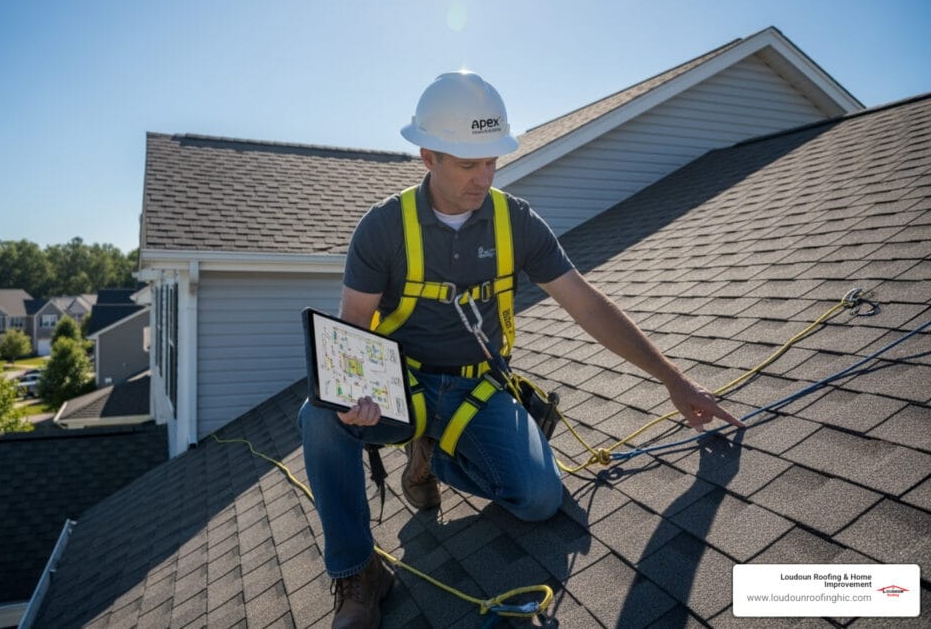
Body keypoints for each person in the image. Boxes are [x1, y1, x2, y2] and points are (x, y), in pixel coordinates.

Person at [298, 71, 744, 629]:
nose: (484, 178)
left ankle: (432, 454)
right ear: (428, 156)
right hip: (402, 387)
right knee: (319, 416)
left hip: (476, 387)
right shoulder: (384, 228)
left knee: (538, 500)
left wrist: (673, 380)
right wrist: (355, 398)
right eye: (469, 164)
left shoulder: (515, 221)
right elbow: (353, 328)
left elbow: (587, 305)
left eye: (492, 161)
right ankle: (358, 572)